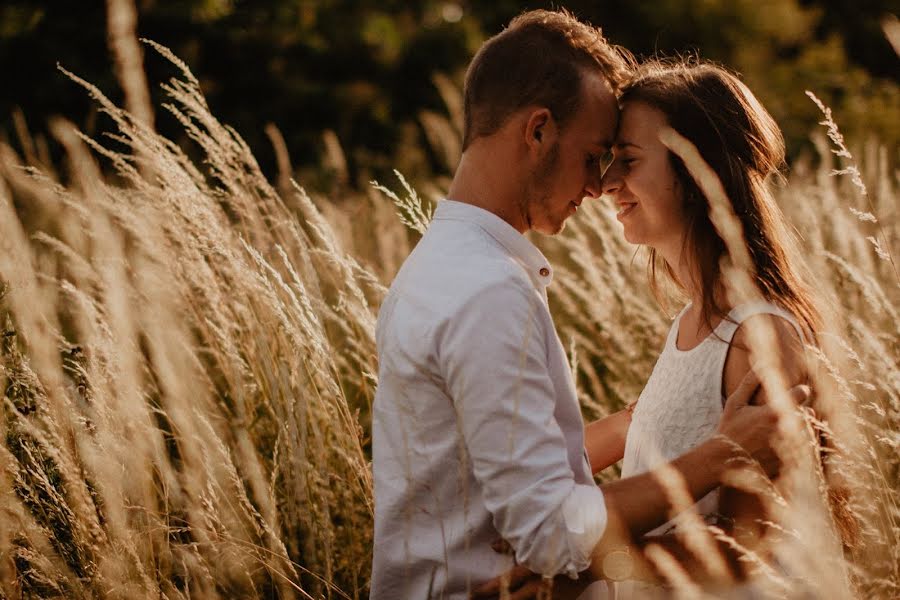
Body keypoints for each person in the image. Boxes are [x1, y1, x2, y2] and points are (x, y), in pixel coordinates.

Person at [370, 12, 806, 600]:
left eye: (624, 159)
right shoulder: (488, 290)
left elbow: (750, 539)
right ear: (539, 131)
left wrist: (592, 570)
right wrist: (713, 458)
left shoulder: (439, 267)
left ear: (696, 172)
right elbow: (550, 526)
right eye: (598, 154)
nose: (600, 184)